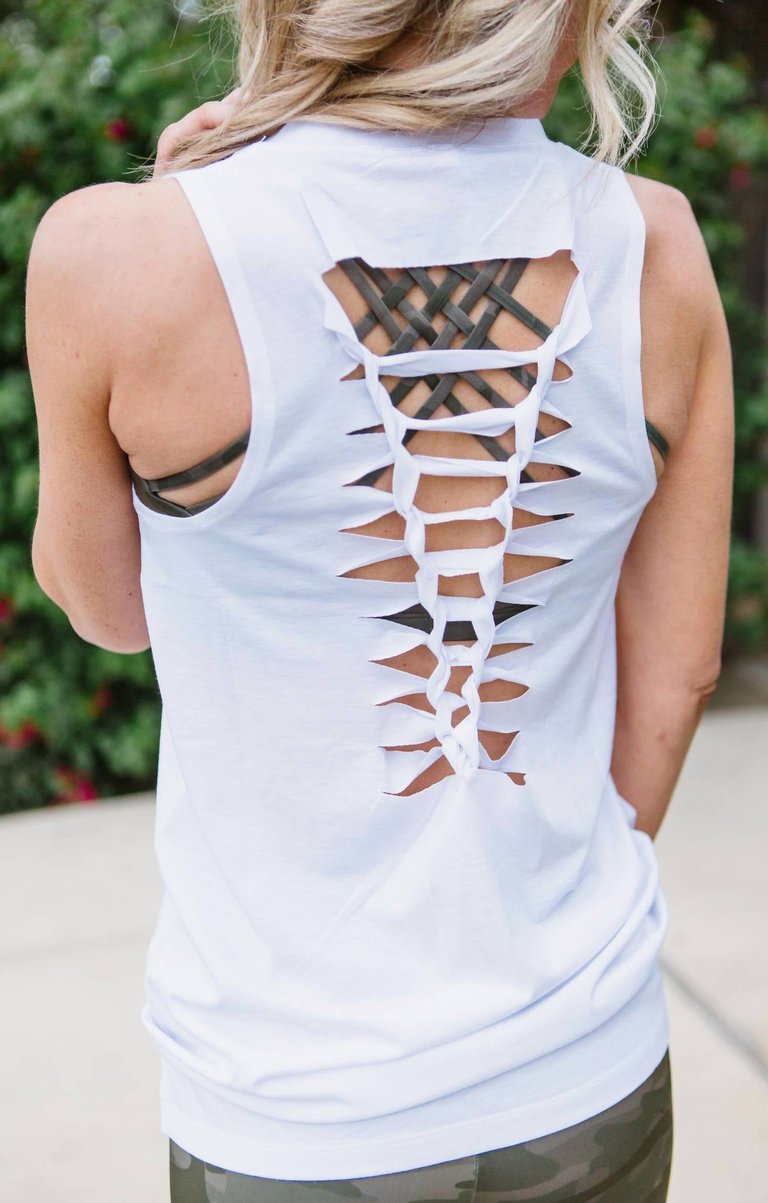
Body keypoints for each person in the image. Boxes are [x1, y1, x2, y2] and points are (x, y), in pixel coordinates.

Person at [25, 0, 733, 1199]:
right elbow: (680, 670)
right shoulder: (657, 243)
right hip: (587, 1059)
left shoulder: (118, 254)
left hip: (293, 1105)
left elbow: (110, 611)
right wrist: (530, 901)